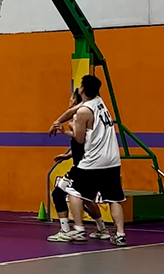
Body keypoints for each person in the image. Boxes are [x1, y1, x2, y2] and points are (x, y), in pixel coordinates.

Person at [63, 75, 127, 246]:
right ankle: (120, 234)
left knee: (73, 192)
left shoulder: (83, 112)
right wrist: (59, 120)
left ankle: (78, 229)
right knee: (114, 199)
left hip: (94, 160)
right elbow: (73, 110)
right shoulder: (99, 102)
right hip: (112, 160)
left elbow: (79, 139)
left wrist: (64, 130)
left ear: (82, 89)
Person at [46, 90, 110, 242]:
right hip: (90, 163)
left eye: (71, 97)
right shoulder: (92, 116)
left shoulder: (77, 118)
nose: (69, 100)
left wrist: (64, 131)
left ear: (76, 100)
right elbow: (84, 144)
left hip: (82, 167)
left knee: (58, 194)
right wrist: (68, 155)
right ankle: (102, 229)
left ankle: (66, 230)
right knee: (87, 198)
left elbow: (80, 139)